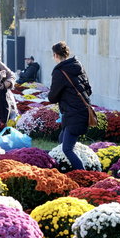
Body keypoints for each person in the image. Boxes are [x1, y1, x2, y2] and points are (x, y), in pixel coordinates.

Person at [48, 41, 92, 171]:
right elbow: (88, 89)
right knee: (62, 139)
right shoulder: (77, 65)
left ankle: (83, 175)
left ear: (55, 55)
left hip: (74, 114)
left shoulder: (59, 71)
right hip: (81, 111)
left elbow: (52, 97)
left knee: (66, 148)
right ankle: (66, 169)